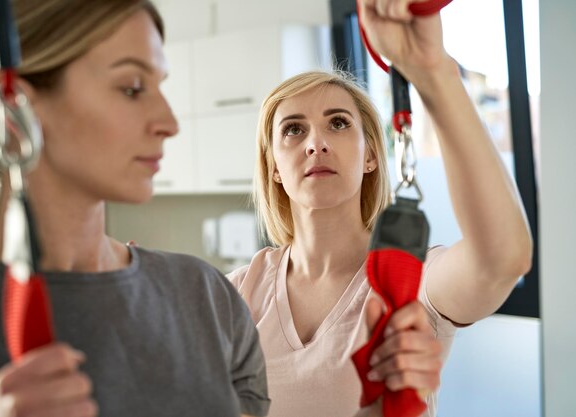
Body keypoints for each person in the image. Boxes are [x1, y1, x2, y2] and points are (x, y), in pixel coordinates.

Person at [0, 1, 270, 416]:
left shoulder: (206, 297)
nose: (169, 122)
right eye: (133, 88)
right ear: (16, 110)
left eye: (161, 86)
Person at [227, 1, 534, 416]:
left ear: (371, 154)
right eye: (293, 130)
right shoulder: (238, 293)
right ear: (274, 168)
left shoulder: (411, 283)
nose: (315, 143)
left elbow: (501, 259)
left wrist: (433, 71)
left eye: (338, 123)